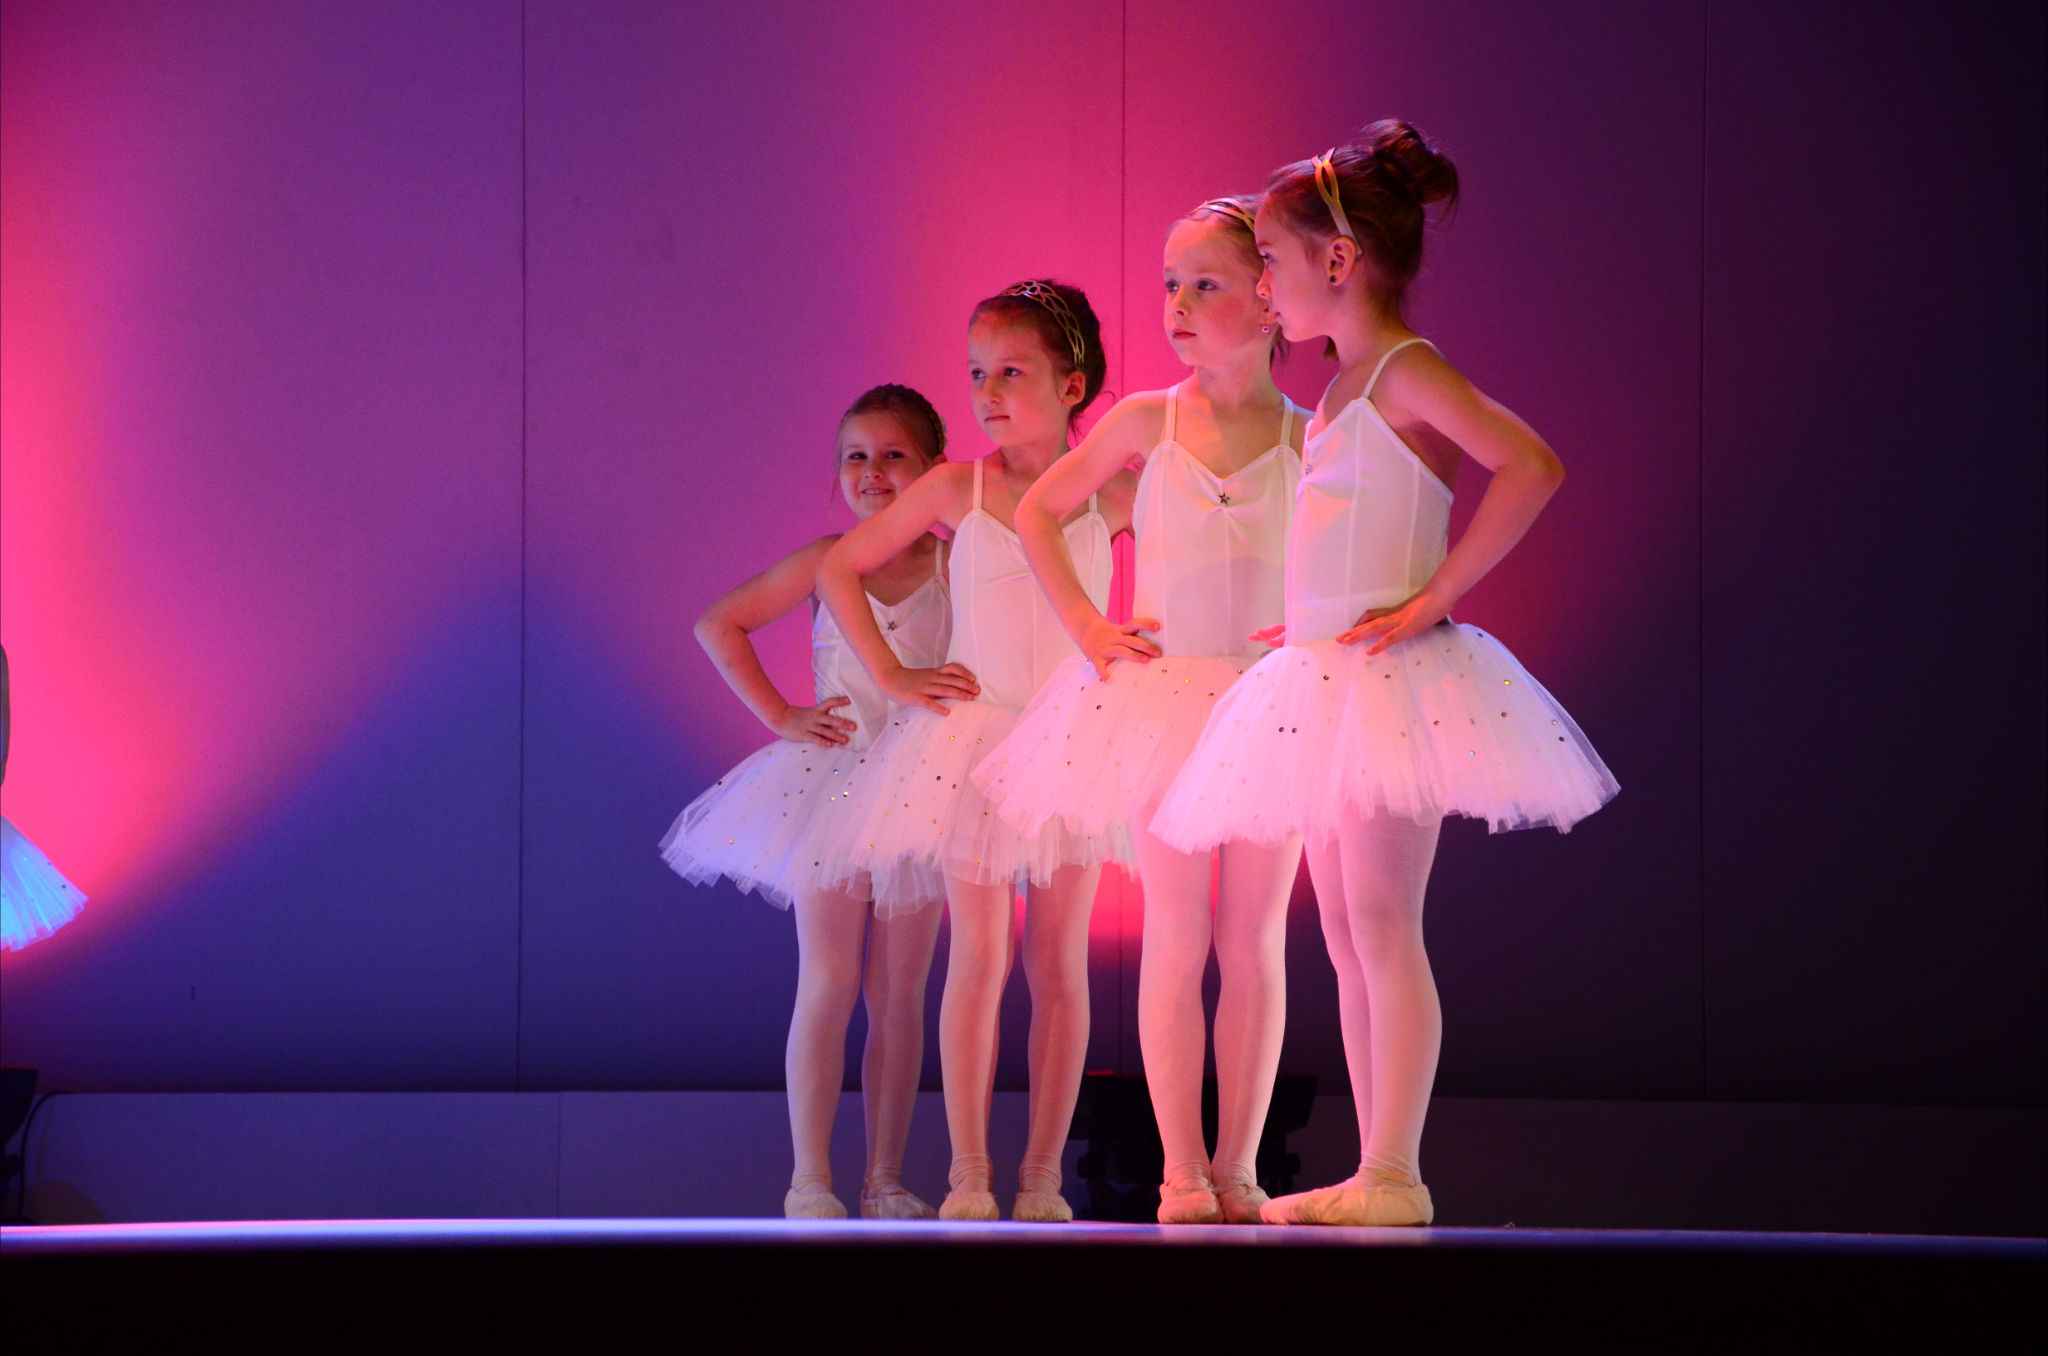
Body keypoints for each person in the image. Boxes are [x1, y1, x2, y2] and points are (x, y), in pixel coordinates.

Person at [1153, 122, 1620, 1226]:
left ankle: (1397, 1173)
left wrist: (1434, 595)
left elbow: (1529, 463)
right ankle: (1376, 1167)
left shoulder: (1407, 369)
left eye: (1270, 261)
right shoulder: (1344, 386)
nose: (1262, 286)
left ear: (1337, 259)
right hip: (1326, 676)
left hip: (1387, 684)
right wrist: (1309, 622)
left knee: (1378, 921)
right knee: (1346, 934)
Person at [974, 199, 1304, 1224]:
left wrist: (1318, 627)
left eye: (1205, 284)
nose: (1177, 304)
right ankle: (1180, 1171)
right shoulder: (1147, 421)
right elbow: (1038, 510)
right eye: (1169, 284)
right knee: (1176, 932)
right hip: (1166, 700)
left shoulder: (1311, 433)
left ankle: (1239, 1165)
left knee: (1253, 937)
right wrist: (1088, 625)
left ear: (1269, 300)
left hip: (1267, 706)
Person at [815, 282, 1135, 1222]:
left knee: (1059, 961)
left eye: (1011, 373)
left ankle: (1041, 1175)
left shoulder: (1114, 489)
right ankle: (968, 1172)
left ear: (1072, 385)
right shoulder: (962, 488)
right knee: (980, 957)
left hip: (1071, 737)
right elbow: (840, 566)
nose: (988, 392)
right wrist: (895, 674)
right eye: (977, 374)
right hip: (977, 741)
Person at [660, 385, 958, 1220]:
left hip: (920, 791)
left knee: (898, 995)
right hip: (834, 784)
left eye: (894, 456)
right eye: (856, 457)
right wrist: (783, 715)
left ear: (934, 468)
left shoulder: (955, 563)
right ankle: (810, 1177)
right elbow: (720, 623)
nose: (873, 473)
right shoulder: (831, 560)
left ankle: (886, 1177)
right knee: (828, 979)